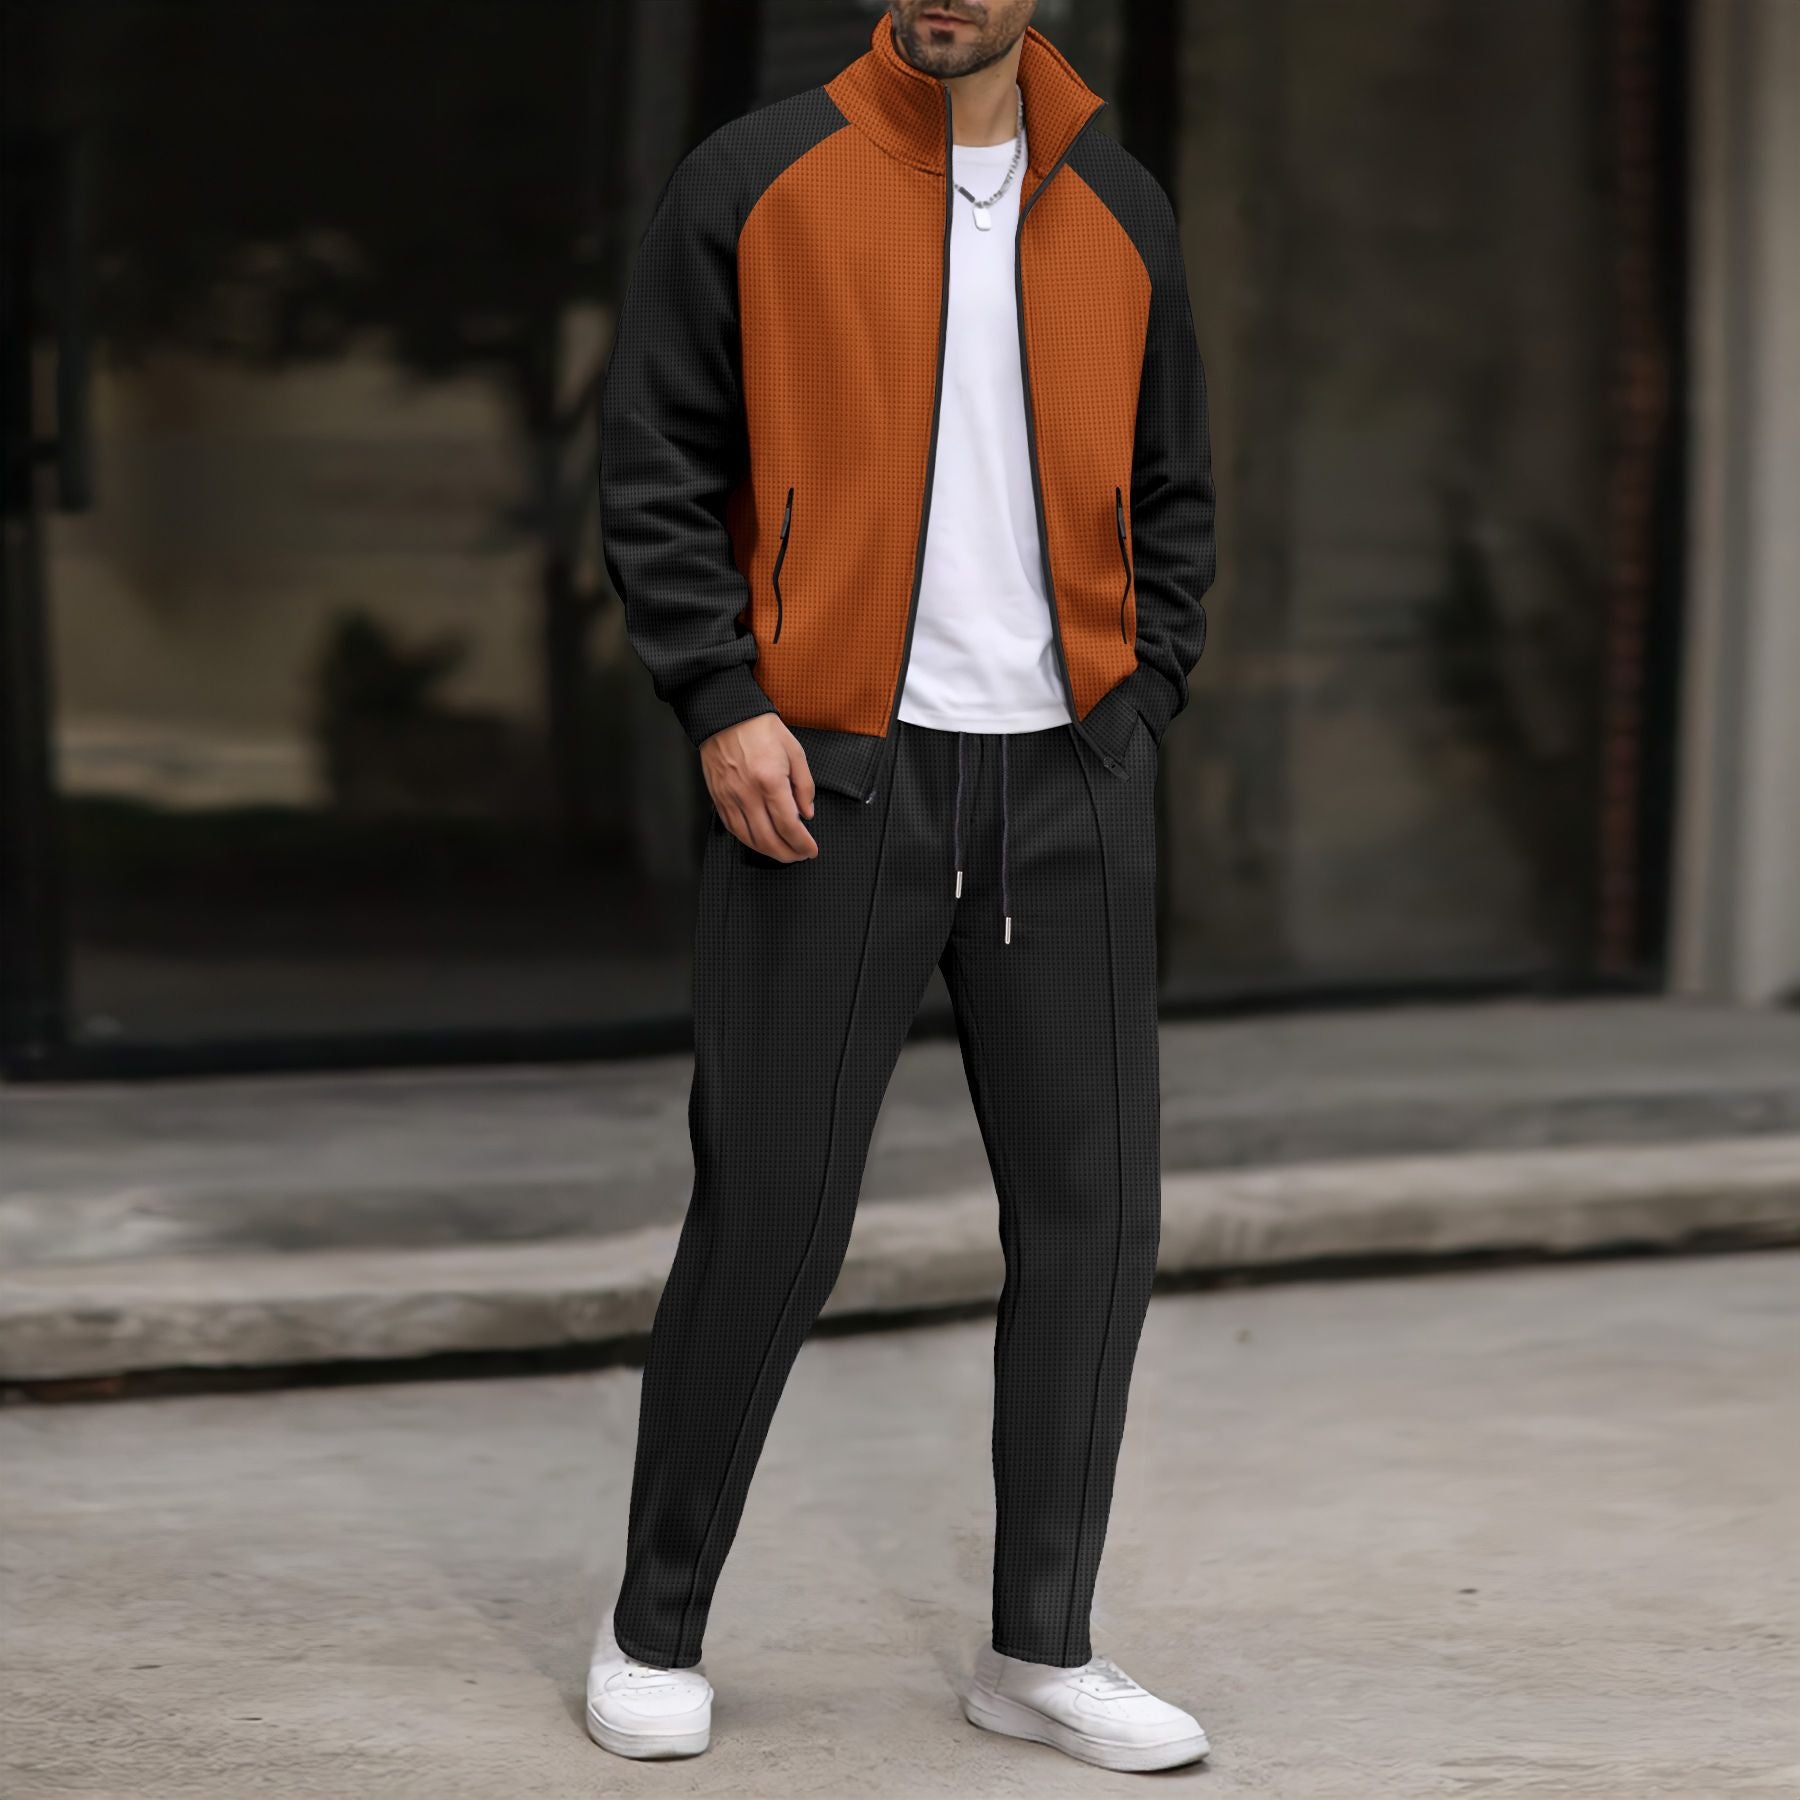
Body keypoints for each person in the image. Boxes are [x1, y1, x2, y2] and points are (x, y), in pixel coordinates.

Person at [588, 0, 1216, 1772]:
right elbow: (654, 463)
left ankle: (1040, 1650)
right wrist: (723, 697)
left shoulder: (1120, 204)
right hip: (831, 770)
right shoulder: (757, 178)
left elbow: (1176, 484)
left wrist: (1140, 698)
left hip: (1068, 774)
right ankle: (652, 1627)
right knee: (774, 1213)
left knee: (1094, 1225)